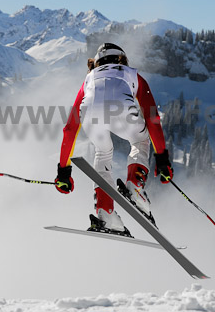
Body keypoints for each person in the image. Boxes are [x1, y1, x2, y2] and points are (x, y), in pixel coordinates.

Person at [54, 42, 173, 236]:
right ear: (122, 59)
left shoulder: (88, 81)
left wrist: (64, 172)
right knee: (140, 141)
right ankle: (135, 185)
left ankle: (106, 214)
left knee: (102, 154)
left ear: (96, 63)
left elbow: (69, 129)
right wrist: (162, 158)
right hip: (123, 107)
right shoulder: (133, 75)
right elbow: (153, 119)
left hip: (90, 111)